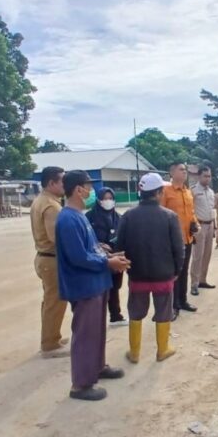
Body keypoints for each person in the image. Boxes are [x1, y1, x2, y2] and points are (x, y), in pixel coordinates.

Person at [55, 170, 130, 401]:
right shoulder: (68, 219)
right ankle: (81, 384)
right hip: (84, 286)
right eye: (88, 187)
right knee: (85, 334)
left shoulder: (79, 216)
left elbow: (89, 248)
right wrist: (108, 262)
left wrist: (105, 251)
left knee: (97, 332)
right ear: (78, 189)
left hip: (96, 284)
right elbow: (79, 257)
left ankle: (97, 367)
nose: (91, 192)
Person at [116, 173, 184, 363]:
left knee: (135, 312)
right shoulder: (170, 216)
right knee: (164, 311)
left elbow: (120, 246)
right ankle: (162, 350)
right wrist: (177, 270)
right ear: (159, 192)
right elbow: (179, 249)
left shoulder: (128, 216)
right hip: (164, 275)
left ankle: (135, 353)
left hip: (137, 275)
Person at [30, 166, 69, 358]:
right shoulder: (51, 206)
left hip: (44, 258)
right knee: (55, 302)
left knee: (51, 302)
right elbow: (56, 237)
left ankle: (52, 336)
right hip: (50, 259)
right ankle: (50, 344)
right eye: (62, 181)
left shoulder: (42, 201)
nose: (65, 185)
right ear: (52, 183)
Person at [161, 161, 198, 319]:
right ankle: (173, 305)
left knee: (183, 272)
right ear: (172, 173)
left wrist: (195, 224)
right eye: (181, 170)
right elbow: (160, 214)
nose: (185, 172)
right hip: (172, 240)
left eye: (185, 170)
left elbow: (191, 212)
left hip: (188, 238)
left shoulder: (187, 192)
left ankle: (183, 301)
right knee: (174, 273)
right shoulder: (165, 191)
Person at [86, 187, 127, 326]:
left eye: (111, 198)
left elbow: (123, 237)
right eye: (105, 198)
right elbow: (86, 238)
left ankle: (115, 316)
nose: (108, 201)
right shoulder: (89, 217)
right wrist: (99, 245)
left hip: (116, 256)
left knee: (114, 287)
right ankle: (97, 319)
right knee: (100, 290)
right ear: (98, 200)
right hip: (99, 258)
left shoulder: (119, 217)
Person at [190, 166, 216, 296]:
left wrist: (214, 226)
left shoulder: (211, 192)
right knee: (197, 256)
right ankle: (194, 284)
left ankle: (202, 280)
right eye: (205, 176)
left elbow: (212, 209)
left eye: (209, 176)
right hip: (199, 226)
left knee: (207, 254)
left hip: (210, 224)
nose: (208, 178)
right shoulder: (193, 191)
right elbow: (190, 210)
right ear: (199, 177)